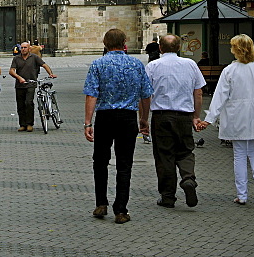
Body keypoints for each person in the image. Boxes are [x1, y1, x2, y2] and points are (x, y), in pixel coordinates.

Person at [199, 34, 254, 205]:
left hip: (237, 116)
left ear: (236, 49)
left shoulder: (230, 70)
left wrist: (210, 118)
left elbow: (220, 96)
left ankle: (242, 195)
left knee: (240, 155)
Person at [83, 28, 153, 225]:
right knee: (124, 164)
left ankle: (101, 203)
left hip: (104, 117)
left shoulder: (98, 64)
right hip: (128, 118)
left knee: (100, 161)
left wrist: (88, 122)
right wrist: (144, 118)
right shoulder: (136, 64)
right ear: (125, 43)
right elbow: (145, 94)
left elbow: (91, 94)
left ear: (105, 43)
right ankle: (121, 210)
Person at [146, 33, 206, 209]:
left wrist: (143, 119)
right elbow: (199, 92)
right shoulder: (190, 64)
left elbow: (145, 95)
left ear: (160, 48)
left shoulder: (153, 66)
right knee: (186, 150)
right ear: (179, 47)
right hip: (184, 115)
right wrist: (196, 116)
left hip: (161, 115)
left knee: (165, 155)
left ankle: (168, 196)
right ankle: (188, 178)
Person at [9, 41, 56, 131]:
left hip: (31, 83)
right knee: (20, 105)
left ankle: (29, 124)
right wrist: (19, 78)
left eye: (25, 47)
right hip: (19, 84)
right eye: (22, 48)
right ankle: (22, 124)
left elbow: (44, 65)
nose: (23, 49)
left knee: (28, 102)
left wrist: (51, 74)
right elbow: (11, 71)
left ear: (29, 48)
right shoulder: (16, 58)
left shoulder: (34, 57)